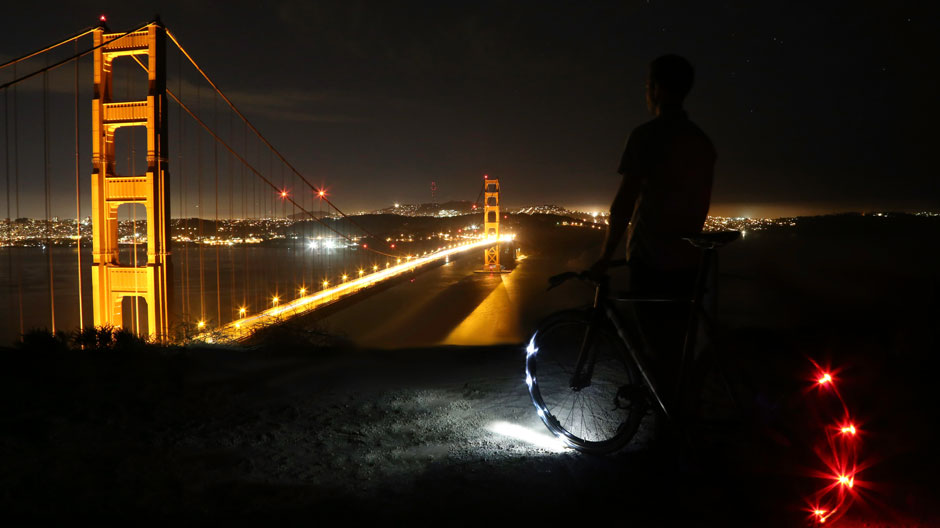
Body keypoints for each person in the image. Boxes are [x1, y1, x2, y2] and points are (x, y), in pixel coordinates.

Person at [591, 54, 716, 389]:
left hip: (651, 259)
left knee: (655, 351)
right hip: (689, 260)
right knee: (678, 348)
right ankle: (684, 417)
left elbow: (623, 204)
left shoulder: (646, 136)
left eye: (648, 86)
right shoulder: (702, 141)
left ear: (657, 89)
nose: (646, 93)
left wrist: (605, 257)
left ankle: (668, 434)